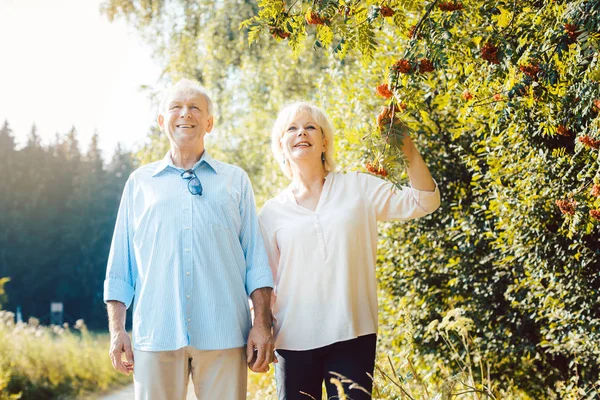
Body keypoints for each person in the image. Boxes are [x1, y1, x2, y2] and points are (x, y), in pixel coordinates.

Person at [103, 79, 275, 400]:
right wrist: (117, 331)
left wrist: (262, 324)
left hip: (225, 331)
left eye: (195, 107)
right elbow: (120, 267)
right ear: (161, 121)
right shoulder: (140, 183)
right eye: (176, 107)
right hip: (156, 331)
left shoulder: (235, 180)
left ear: (209, 122)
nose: (186, 114)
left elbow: (256, 262)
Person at [258, 102, 441, 400]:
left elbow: (424, 201)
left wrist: (405, 147)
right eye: (291, 128)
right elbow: (266, 284)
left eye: (310, 127)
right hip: (292, 340)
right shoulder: (271, 213)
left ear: (324, 141)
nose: (301, 133)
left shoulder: (358, 188)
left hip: (353, 332)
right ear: (281, 144)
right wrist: (261, 331)